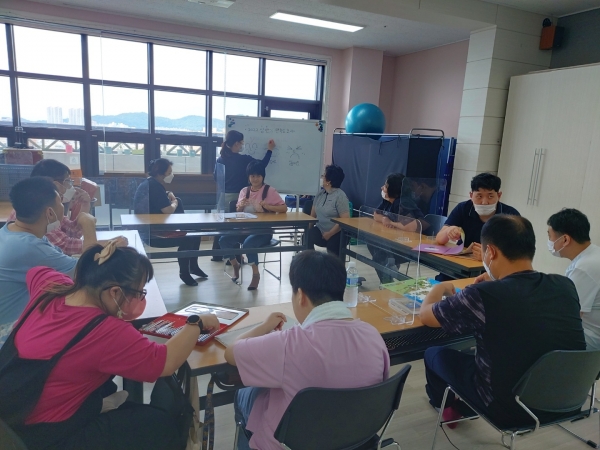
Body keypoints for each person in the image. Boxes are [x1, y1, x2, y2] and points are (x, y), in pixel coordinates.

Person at [0, 240, 220, 450]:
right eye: (138, 293)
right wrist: (196, 323)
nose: (140, 300)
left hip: (11, 417)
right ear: (115, 292)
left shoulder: (49, 288)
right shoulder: (105, 331)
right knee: (159, 426)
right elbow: (165, 362)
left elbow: (36, 271)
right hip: (45, 437)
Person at [421, 215, 585, 429]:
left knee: (433, 353)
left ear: (490, 252)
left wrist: (439, 288)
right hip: (567, 400)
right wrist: (496, 282)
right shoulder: (565, 285)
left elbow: (426, 316)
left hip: (509, 410)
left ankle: (447, 406)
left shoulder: (482, 295)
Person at [224, 251, 389, 450]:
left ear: (300, 296)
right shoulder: (373, 336)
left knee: (245, 392)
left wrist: (264, 326)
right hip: (356, 440)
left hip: (292, 444)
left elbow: (231, 353)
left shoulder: (288, 344)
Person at [0, 177, 84, 348]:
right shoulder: (27, 247)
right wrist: (89, 227)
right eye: (60, 202)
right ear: (49, 213)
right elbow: (84, 271)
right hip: (9, 338)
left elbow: (63, 258)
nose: (63, 206)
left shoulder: (11, 231)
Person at [134, 158, 207, 287]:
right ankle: (184, 273)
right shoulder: (154, 186)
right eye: (169, 172)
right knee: (189, 238)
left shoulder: (150, 183)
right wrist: (175, 202)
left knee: (196, 232)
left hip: (153, 227)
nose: (171, 175)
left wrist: (169, 195)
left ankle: (193, 266)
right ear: (160, 173)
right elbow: (167, 210)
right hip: (152, 233)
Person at [7, 159, 101, 256]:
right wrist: (89, 226)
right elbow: (66, 246)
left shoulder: (40, 203)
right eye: (68, 181)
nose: (71, 186)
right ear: (54, 184)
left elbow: (72, 231)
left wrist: (85, 206)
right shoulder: (38, 213)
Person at [219, 161, 287, 290]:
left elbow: (284, 208)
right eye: (252, 176)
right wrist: (241, 206)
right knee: (223, 240)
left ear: (263, 176)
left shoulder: (269, 191)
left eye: (258, 176)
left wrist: (267, 206)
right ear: (248, 177)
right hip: (244, 229)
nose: (255, 179)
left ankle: (256, 275)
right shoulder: (244, 191)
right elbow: (238, 211)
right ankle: (235, 265)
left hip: (263, 231)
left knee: (248, 244)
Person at [212, 131, 276, 262]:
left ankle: (219, 255)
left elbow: (215, 177)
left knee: (223, 226)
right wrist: (270, 150)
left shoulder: (220, 159)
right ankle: (235, 257)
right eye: (241, 142)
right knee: (237, 227)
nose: (242, 145)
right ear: (236, 143)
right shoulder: (242, 159)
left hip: (223, 197)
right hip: (238, 195)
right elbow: (261, 165)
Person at [547, 208, 600, 349]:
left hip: (588, 341)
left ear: (565, 239)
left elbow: (568, 315)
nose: (549, 242)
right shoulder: (593, 254)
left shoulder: (584, 268)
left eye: (550, 236)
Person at [436, 173, 519, 261]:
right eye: (479, 196)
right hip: (465, 262)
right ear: (471, 196)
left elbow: (520, 252)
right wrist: (449, 231)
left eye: (490, 196)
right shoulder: (463, 208)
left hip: (496, 266)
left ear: (499, 196)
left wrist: (490, 257)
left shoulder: (511, 216)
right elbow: (439, 239)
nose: (484, 202)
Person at [369, 173, 423, 283]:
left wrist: (391, 223)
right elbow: (376, 214)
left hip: (409, 245)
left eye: (385, 186)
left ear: (393, 189)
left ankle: (388, 282)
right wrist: (384, 219)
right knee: (371, 241)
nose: (382, 188)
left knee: (379, 256)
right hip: (393, 240)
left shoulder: (403, 203)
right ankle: (388, 273)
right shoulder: (387, 201)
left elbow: (412, 226)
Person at [305, 165, 350, 258]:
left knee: (332, 247)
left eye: (324, 175)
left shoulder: (340, 196)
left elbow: (345, 220)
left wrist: (330, 234)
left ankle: (334, 267)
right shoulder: (320, 194)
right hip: (321, 230)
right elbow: (312, 216)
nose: (322, 177)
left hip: (337, 232)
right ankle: (310, 262)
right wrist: (308, 230)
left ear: (329, 181)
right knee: (306, 236)